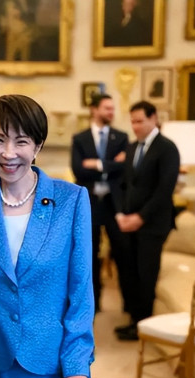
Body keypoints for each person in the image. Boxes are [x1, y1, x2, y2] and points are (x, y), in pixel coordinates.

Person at [0, 94, 105, 378]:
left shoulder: (72, 200)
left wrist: (76, 363)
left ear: (38, 146)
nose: (8, 153)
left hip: (58, 365)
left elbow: (81, 291)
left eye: (21, 141)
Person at [112, 101, 180, 341]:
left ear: (154, 119)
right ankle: (135, 320)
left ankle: (144, 324)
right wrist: (121, 214)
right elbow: (124, 185)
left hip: (152, 224)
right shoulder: (132, 148)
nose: (135, 126)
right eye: (132, 121)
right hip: (129, 222)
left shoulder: (167, 148)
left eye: (140, 121)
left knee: (146, 274)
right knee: (130, 273)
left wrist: (140, 217)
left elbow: (164, 190)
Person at [71, 93, 128, 313]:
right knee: (90, 256)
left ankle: (128, 306)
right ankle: (93, 305)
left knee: (122, 253)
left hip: (115, 204)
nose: (111, 112)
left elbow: (124, 168)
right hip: (90, 204)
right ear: (94, 110)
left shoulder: (121, 137)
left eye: (113, 108)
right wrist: (110, 164)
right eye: (107, 108)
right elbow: (78, 170)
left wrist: (96, 164)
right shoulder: (80, 138)